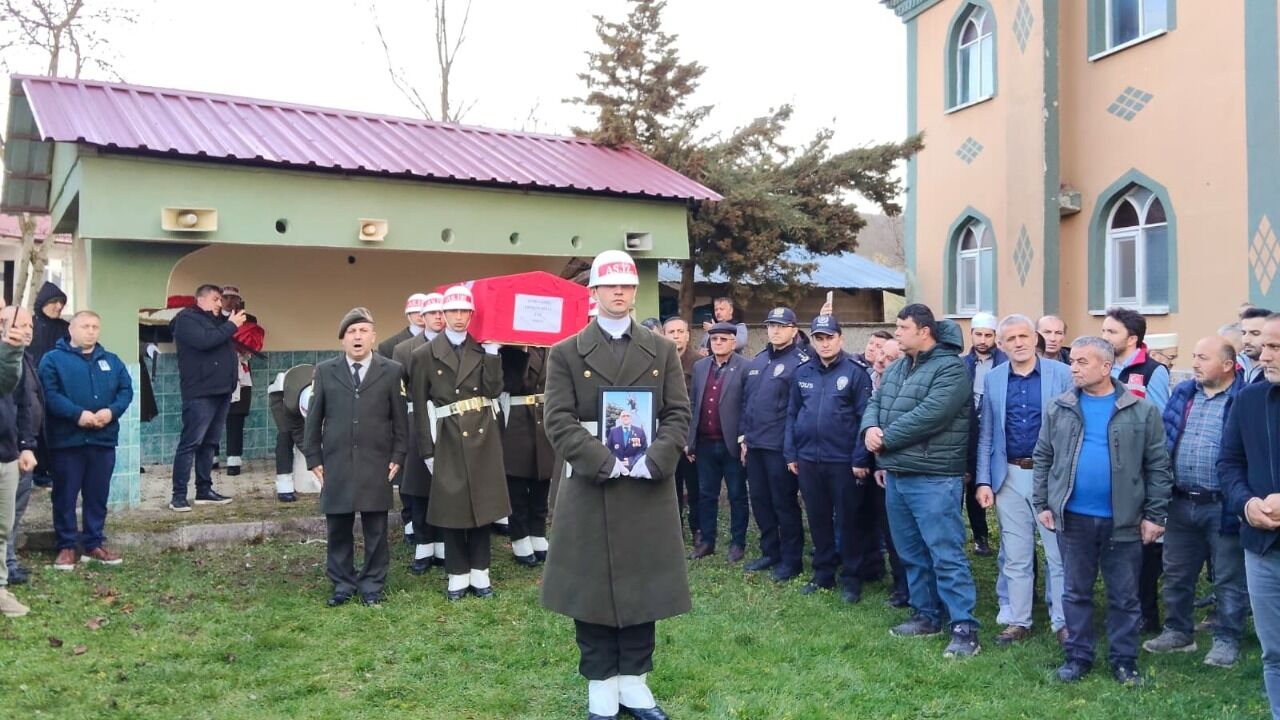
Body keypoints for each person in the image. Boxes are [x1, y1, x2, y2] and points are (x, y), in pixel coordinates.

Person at [541, 250, 691, 720]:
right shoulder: (565, 352)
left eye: (626, 286)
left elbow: (677, 413)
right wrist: (602, 460)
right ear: (596, 292)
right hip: (592, 484)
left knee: (644, 585)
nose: (620, 293)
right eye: (611, 286)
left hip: (647, 484)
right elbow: (558, 420)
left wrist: (656, 458)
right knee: (591, 588)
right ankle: (601, 685)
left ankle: (635, 683)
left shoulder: (661, 349)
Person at [1033, 336, 1172, 685]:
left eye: (1082, 362)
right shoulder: (1058, 407)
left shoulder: (1141, 411)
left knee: (1125, 596)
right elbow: (1043, 457)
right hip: (1074, 518)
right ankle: (1078, 656)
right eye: (1073, 361)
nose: (1073, 368)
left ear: (1106, 367)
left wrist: (1155, 515)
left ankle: (1124, 659)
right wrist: (1043, 503)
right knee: (1075, 591)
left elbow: (1158, 466)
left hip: (1123, 521)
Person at [861, 303, 980, 658]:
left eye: (901, 327)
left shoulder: (951, 370)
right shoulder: (897, 367)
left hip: (933, 478)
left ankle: (964, 627)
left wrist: (885, 438)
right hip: (898, 475)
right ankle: (926, 614)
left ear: (923, 331)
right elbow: (876, 401)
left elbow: (931, 415)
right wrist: (869, 428)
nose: (896, 333)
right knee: (911, 552)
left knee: (945, 553)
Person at [1143, 336, 1248, 668]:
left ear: (1228, 365)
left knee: (1229, 577)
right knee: (1176, 571)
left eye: (1203, 357)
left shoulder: (1243, 399)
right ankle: (1178, 632)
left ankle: (1227, 639)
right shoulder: (1185, 393)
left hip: (1223, 505)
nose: (1196, 363)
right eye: (1195, 356)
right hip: (1181, 500)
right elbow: (1166, 438)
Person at [974, 314, 1072, 646]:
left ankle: (1062, 619)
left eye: (1023, 336)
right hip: (1009, 476)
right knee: (1015, 554)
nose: (1018, 343)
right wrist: (984, 481)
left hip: (1051, 476)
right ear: (1001, 344)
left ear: (1035, 339)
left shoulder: (1061, 374)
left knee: (1057, 552)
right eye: (1010, 338)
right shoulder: (995, 378)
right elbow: (986, 433)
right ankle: (1019, 619)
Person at [410, 285, 508, 601]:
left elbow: (493, 391)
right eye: (453, 311)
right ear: (443, 314)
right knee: (452, 507)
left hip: (481, 433)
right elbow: (419, 405)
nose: (459, 317)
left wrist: (493, 354)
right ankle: (457, 574)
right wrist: (426, 450)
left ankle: (480, 573)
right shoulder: (423, 354)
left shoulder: (481, 349)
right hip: (447, 435)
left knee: (482, 505)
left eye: (465, 311)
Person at [304, 308, 406, 606]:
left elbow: (400, 420)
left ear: (373, 337)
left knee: (376, 526)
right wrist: (313, 457)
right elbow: (314, 417)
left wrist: (399, 454)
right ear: (342, 340)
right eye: (352, 332)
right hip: (336, 461)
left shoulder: (392, 371)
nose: (358, 336)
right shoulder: (324, 371)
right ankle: (342, 583)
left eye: (363, 331)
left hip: (377, 462)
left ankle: (372, 584)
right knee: (338, 525)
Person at [785, 314, 873, 603]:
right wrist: (791, 452)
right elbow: (792, 415)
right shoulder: (802, 372)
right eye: (818, 338)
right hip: (808, 459)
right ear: (812, 341)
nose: (824, 343)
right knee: (819, 518)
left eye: (829, 337)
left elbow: (865, 419)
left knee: (848, 520)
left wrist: (860, 459)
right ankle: (823, 574)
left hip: (843, 460)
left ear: (840, 338)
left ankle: (851, 578)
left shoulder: (856, 372)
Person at [39, 310, 133, 571]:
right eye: (85, 326)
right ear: (71, 329)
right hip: (67, 441)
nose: (90, 331)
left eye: (95, 327)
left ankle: (93, 544)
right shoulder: (52, 360)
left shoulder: (111, 361)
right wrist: (77, 415)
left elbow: (126, 390)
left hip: (102, 440)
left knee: (97, 495)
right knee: (65, 495)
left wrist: (111, 411)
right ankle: (66, 546)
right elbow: (50, 394)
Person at [1220, 312, 1280, 717]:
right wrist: (1246, 504)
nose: (1263, 355)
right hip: (1262, 547)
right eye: (1265, 345)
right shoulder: (1250, 399)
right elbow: (1229, 463)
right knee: (1274, 653)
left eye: (1275, 347)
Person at [1101, 306, 1171, 633]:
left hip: (1137, 471)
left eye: (1110, 332)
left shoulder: (1152, 371)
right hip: (1103, 466)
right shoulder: (1099, 366)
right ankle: (1117, 604)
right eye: (1103, 331)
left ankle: (1146, 611)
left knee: (1143, 545)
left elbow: (1160, 423)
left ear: (1132, 339)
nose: (1104, 337)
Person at [740, 307, 809, 581]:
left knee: (784, 503)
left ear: (793, 330)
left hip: (780, 447)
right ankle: (771, 551)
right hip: (755, 445)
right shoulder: (757, 361)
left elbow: (799, 410)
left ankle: (792, 560)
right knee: (760, 501)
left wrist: (793, 448)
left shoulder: (801, 362)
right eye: (771, 326)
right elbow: (747, 403)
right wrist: (744, 437)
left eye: (781, 326)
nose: (775, 331)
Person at [169, 284, 244, 512]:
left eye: (220, 300)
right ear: (200, 299)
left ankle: (204, 490)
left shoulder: (215, 322)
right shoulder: (187, 319)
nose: (219, 303)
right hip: (200, 392)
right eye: (215, 299)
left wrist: (227, 323)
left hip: (221, 390)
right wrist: (231, 325)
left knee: (210, 443)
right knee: (191, 443)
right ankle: (179, 495)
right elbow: (205, 341)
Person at [393, 292, 446, 571]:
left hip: (449, 420)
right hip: (417, 420)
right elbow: (398, 392)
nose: (439, 317)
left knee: (447, 484)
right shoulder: (404, 349)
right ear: (421, 317)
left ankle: (445, 543)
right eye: (432, 313)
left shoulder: (457, 346)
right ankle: (424, 545)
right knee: (419, 486)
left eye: (442, 312)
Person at [687, 322, 748, 562]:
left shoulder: (746, 367)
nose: (719, 343)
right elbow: (693, 405)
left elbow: (747, 407)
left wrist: (745, 440)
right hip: (704, 443)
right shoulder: (700, 367)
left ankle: (737, 543)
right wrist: (689, 441)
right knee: (706, 494)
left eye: (724, 339)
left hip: (731, 443)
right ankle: (707, 541)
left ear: (734, 342)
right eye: (714, 340)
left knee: (736, 495)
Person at [499, 344, 554, 566]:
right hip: (518, 419)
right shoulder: (511, 347)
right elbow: (510, 383)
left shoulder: (553, 347)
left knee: (543, 478)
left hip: (544, 417)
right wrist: (520, 351)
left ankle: (537, 533)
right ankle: (520, 537)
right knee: (517, 483)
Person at [0, 305, 34, 617]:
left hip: (6, 453)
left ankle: (0, 591)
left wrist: (25, 445)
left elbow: (15, 394)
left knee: (2, 527)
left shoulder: (14, 355)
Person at [961, 311, 1005, 557]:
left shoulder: (1005, 363)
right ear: (972, 334)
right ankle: (980, 536)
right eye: (979, 334)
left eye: (988, 335)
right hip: (969, 432)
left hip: (996, 431)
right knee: (970, 483)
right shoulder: (961, 363)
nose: (983, 340)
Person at [219, 286, 263, 477]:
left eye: (233, 298)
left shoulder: (249, 319)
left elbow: (253, 340)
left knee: (235, 416)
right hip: (217, 371)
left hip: (240, 371)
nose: (229, 301)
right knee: (213, 415)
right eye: (226, 297)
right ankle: (211, 457)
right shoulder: (212, 318)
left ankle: (233, 460)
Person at [664, 316, 700, 543]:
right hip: (667, 437)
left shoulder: (699, 364)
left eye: (680, 331)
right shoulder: (658, 362)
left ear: (688, 335)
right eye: (671, 332)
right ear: (664, 335)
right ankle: (673, 531)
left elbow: (700, 404)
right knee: (669, 488)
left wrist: (692, 440)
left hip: (691, 439)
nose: (676, 336)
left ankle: (698, 530)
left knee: (696, 488)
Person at [28, 281, 68, 489]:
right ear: (42, 303)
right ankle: (38, 470)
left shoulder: (65, 329)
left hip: (57, 387)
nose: (58, 307)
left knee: (56, 428)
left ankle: (54, 468)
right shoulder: (30, 325)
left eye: (61, 303)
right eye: (54, 302)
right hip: (32, 386)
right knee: (36, 427)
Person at [267, 364, 312, 502]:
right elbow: (298, 433)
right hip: (280, 395)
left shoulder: (326, 393)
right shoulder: (290, 406)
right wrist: (314, 457)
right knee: (285, 435)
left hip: (302, 384)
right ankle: (284, 486)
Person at [377, 293, 428, 358]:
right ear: (408, 314)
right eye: (415, 311)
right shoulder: (388, 346)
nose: (420, 315)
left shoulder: (439, 339)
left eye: (423, 311)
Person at [1240, 307, 1274, 384]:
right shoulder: (1231, 366)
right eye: (1243, 333)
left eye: (1255, 333)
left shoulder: (1276, 370)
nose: (1246, 340)